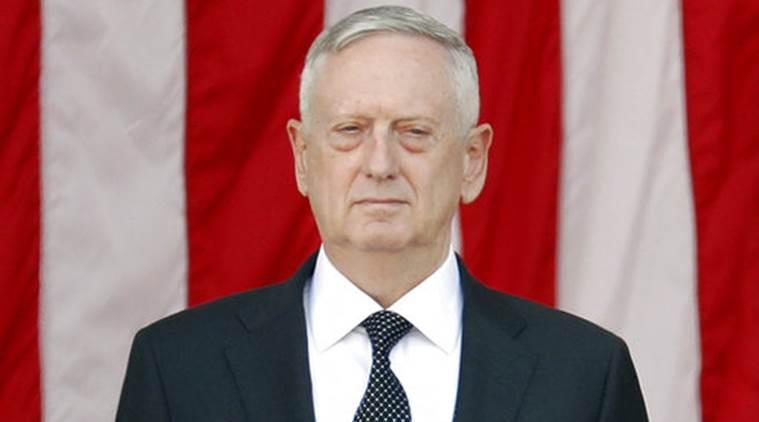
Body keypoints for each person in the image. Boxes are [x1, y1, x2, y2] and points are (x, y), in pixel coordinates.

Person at [116, 6, 648, 422]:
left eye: (414, 132)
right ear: (303, 157)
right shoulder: (178, 367)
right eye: (350, 131)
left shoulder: (584, 377)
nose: (380, 164)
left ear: (472, 160)